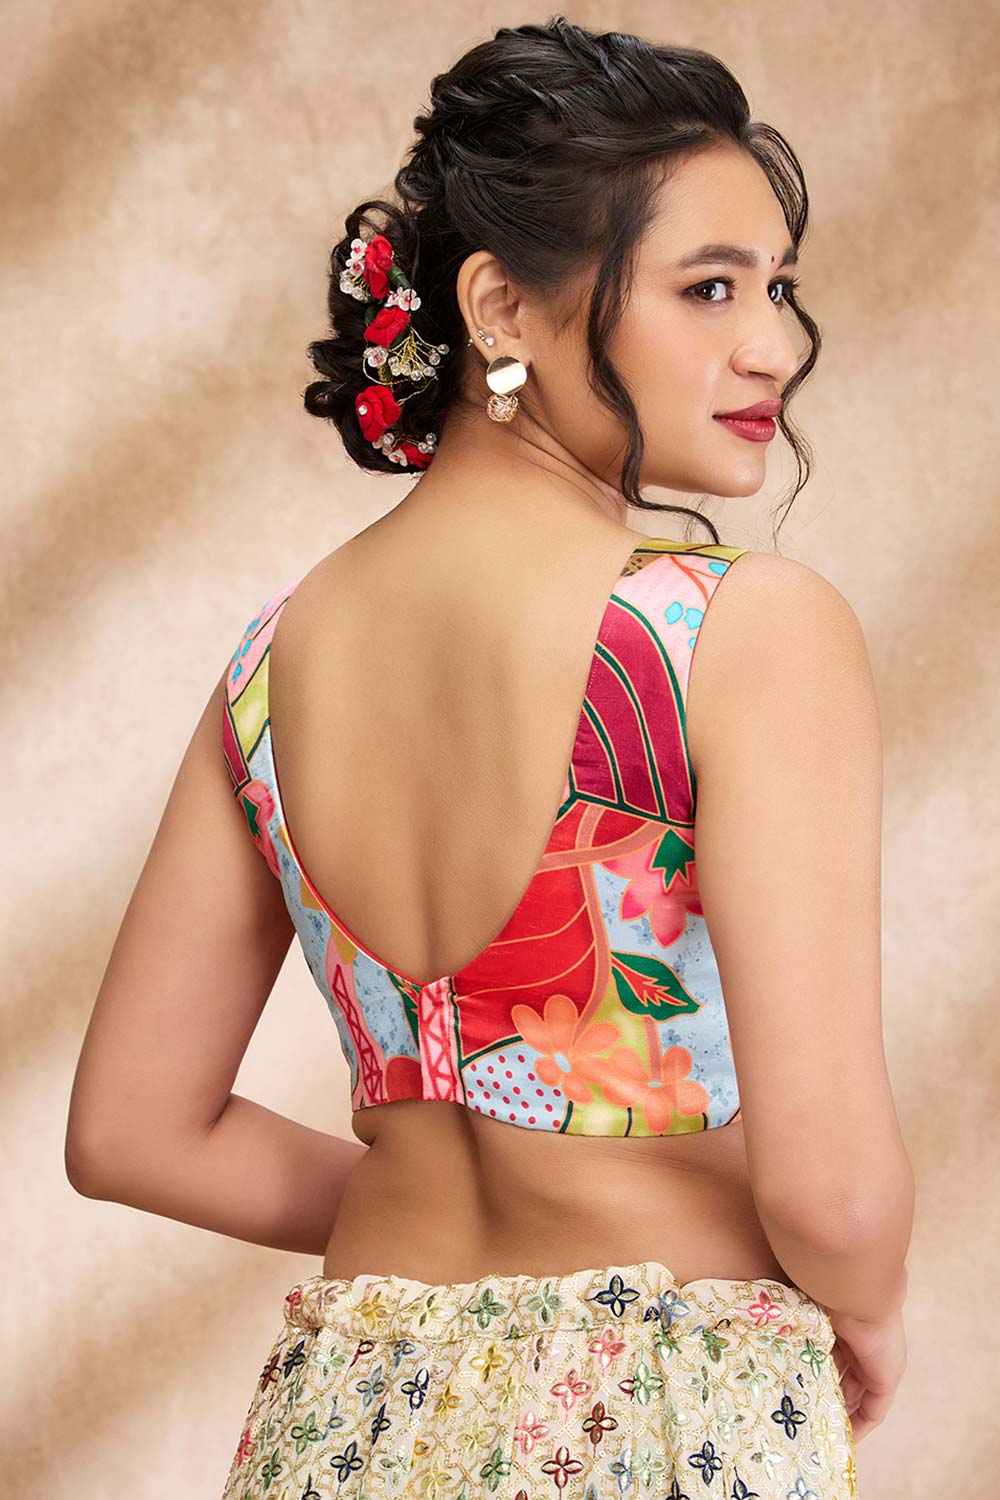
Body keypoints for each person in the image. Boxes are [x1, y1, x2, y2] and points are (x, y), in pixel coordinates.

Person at [65, 18, 913, 1498]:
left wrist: (419, 1207)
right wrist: (871, 1308)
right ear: (501, 307)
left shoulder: (273, 663)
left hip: (346, 1421)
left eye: (777, 286)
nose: (774, 345)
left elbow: (135, 1130)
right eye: (708, 287)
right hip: (661, 1413)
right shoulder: (732, 631)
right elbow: (830, 1191)